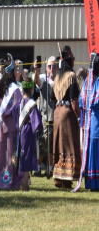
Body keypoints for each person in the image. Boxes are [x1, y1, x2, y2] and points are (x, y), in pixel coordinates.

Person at [51, 46, 81, 189]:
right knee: (69, 145)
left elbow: (52, 98)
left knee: (58, 145)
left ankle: (58, 178)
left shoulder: (57, 77)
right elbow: (74, 99)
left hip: (57, 113)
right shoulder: (72, 76)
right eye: (73, 59)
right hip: (68, 113)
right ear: (70, 60)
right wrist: (79, 116)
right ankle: (67, 179)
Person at [0, 55, 22, 189]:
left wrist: (2, 114)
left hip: (1, 126)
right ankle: (8, 181)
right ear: (12, 73)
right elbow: (18, 107)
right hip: (11, 126)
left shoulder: (2, 88)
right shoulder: (15, 90)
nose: (17, 73)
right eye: (15, 70)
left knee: (1, 155)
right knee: (10, 155)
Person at [78, 52, 99, 191]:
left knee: (93, 148)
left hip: (91, 122)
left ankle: (93, 182)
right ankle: (93, 182)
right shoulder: (90, 82)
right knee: (93, 149)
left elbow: (83, 101)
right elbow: (89, 102)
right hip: (93, 122)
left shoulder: (88, 81)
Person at [17, 76, 42, 191]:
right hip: (28, 130)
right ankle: (24, 184)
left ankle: (24, 181)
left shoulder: (20, 101)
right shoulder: (31, 103)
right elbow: (36, 121)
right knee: (26, 155)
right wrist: (39, 129)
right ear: (31, 89)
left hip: (20, 130)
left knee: (21, 154)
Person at [34, 55, 57, 174]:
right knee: (42, 145)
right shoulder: (43, 78)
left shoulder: (59, 80)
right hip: (44, 118)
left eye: (54, 66)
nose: (52, 68)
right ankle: (38, 168)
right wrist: (36, 70)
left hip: (56, 118)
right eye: (49, 66)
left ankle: (50, 168)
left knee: (53, 146)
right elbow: (37, 82)